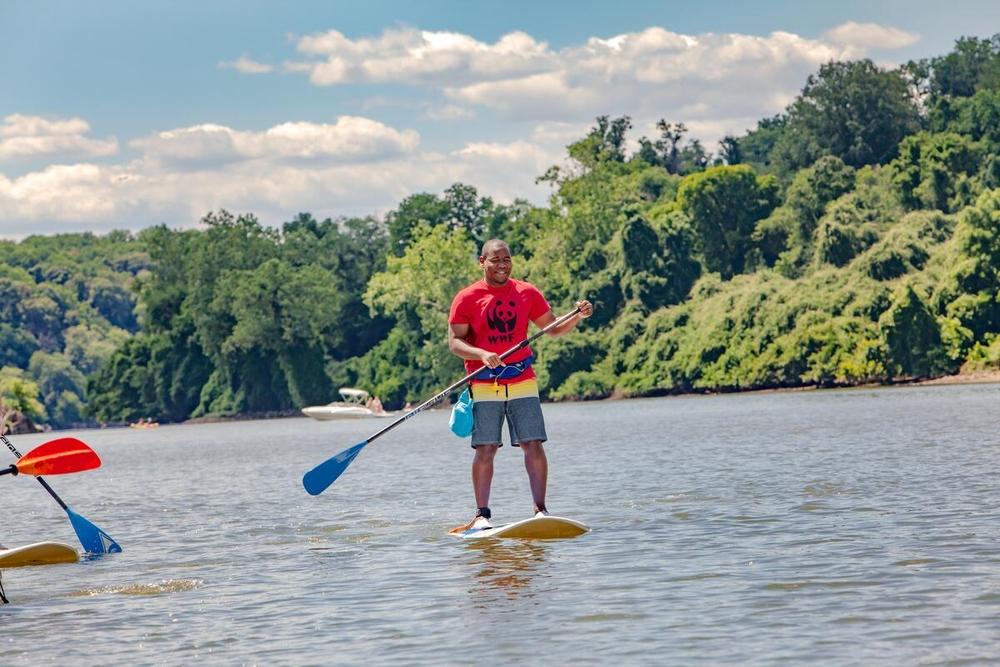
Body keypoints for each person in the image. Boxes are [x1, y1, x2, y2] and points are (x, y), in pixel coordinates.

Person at [447, 238, 592, 532]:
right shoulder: (467, 298)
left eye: (506, 259)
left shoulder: (527, 292)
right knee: (486, 448)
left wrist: (577, 315)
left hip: (523, 379)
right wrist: (481, 354)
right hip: (485, 383)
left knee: (533, 443)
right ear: (482, 262)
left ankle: (540, 510)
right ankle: (481, 515)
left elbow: (553, 329)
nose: (502, 265)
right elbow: (455, 343)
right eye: (495, 260)